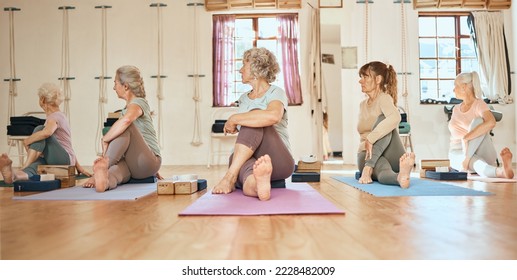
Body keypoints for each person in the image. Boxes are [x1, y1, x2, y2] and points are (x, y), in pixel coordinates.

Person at [211, 47, 295, 201]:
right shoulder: (243, 98)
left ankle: (230, 177)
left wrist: (235, 118)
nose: (240, 70)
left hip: (278, 161)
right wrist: (238, 120)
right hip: (246, 162)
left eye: (244, 64)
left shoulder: (276, 93)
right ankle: (258, 186)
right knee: (248, 171)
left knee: (254, 117)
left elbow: (273, 116)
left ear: (256, 68)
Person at [83, 65, 162, 192]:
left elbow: (126, 121)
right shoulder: (126, 110)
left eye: (115, 83)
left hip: (148, 161)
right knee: (114, 173)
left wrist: (105, 139)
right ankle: (105, 181)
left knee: (125, 126)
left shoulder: (139, 103)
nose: (114, 88)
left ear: (125, 86)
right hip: (135, 164)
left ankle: (105, 165)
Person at [0, 83, 91, 183]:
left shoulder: (55, 117)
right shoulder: (59, 116)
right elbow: (69, 146)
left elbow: (47, 133)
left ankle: (25, 165)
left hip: (63, 160)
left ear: (42, 99)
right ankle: (14, 176)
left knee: (40, 129)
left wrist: (27, 141)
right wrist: (80, 168)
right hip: (57, 158)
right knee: (35, 167)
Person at [356, 61, 415, 188]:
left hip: (391, 153)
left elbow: (395, 117)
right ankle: (399, 178)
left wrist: (371, 138)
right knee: (382, 169)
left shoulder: (384, 98)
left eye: (365, 77)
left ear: (378, 79)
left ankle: (368, 169)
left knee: (384, 119)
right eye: (361, 77)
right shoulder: (362, 105)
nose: (360, 81)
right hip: (366, 153)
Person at [448, 71, 514, 179]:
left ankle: (468, 159)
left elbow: (491, 122)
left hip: (482, 150)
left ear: (464, 87)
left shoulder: (479, 104)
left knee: (479, 121)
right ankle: (501, 172)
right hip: (458, 152)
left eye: (455, 86)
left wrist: (466, 138)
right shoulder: (456, 109)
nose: (453, 89)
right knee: (477, 164)